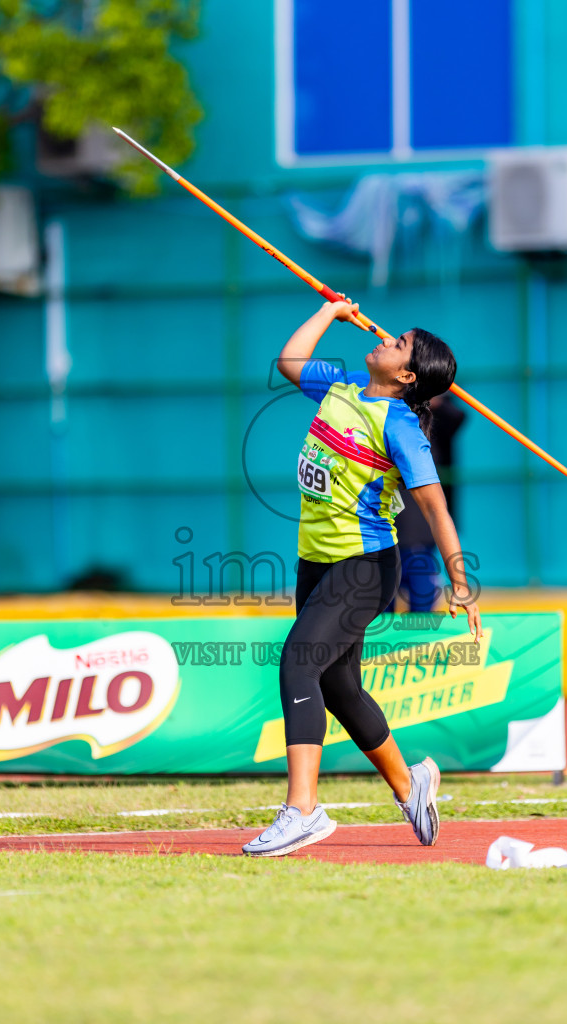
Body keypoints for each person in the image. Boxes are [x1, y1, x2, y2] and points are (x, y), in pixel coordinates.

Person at [242, 297, 482, 858]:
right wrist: (330, 313)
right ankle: (410, 784)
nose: (382, 336)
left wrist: (461, 581)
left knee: (299, 661)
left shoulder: (402, 428)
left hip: (365, 567)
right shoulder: (342, 386)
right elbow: (289, 362)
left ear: (405, 374)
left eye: (396, 342)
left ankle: (302, 810)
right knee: (339, 687)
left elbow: (436, 510)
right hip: (316, 561)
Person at [384, 395, 466, 613]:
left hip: (417, 525)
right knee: (381, 600)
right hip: (384, 525)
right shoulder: (384, 410)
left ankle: (418, 643)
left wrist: (432, 394)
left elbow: (456, 417)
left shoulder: (433, 418)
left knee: (421, 597)